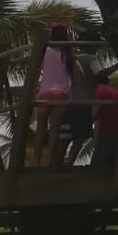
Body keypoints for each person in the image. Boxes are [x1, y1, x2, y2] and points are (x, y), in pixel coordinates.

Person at [33, 23, 75, 166]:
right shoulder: (68, 53)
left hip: (44, 92)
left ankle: (36, 160)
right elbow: (76, 72)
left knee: (41, 128)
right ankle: (50, 161)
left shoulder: (45, 51)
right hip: (61, 93)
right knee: (54, 129)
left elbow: (38, 68)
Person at [91, 71, 118, 167]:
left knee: (98, 165)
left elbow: (94, 113)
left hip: (107, 130)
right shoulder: (116, 92)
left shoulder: (100, 90)